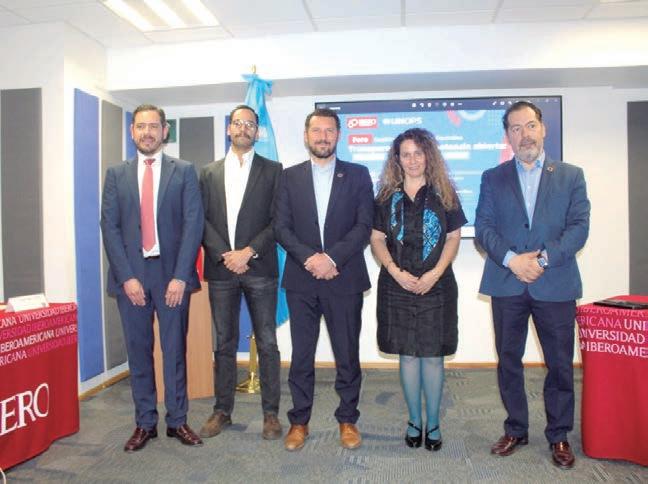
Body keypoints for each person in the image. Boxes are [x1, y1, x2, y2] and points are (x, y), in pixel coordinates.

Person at [475, 100, 590, 469]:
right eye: (515, 128)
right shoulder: (493, 177)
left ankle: (559, 434)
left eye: (530, 126)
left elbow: (579, 228)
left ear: (543, 129)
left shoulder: (571, 175)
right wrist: (513, 260)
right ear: (507, 136)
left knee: (559, 364)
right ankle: (516, 428)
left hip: (554, 283)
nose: (524, 134)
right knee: (509, 360)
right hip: (507, 282)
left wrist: (540, 260)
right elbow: (483, 228)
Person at [101, 104, 205, 452]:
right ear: (132, 131)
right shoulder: (116, 174)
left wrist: (180, 276)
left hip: (171, 275)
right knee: (139, 352)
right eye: (141, 126)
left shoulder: (184, 171)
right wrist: (126, 277)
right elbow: (110, 228)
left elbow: (193, 223)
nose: (147, 132)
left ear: (165, 131)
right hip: (132, 276)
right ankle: (145, 423)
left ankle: (177, 421)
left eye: (154, 126)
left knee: (174, 351)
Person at [274, 108, 374, 451]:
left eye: (329, 130)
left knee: (347, 354)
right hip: (301, 280)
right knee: (302, 355)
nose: (323, 137)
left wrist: (331, 259)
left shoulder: (358, 175)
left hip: (343, 277)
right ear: (306, 136)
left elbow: (364, 226)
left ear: (338, 135)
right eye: (316, 131)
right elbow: (281, 227)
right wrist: (310, 259)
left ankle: (347, 419)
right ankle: (299, 421)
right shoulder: (288, 177)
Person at [370, 128, 466, 452]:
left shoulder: (445, 193)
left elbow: (453, 237)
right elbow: (376, 238)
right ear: (397, 159)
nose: (412, 160)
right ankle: (414, 420)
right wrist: (394, 271)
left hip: (437, 286)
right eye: (405, 154)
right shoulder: (385, 196)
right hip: (396, 285)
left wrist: (435, 273)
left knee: (433, 357)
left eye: (418, 153)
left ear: (428, 156)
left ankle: (433, 423)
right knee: (408, 355)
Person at [198, 105, 283, 440]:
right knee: (224, 342)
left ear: (257, 132)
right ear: (228, 129)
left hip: (259, 267)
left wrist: (248, 252)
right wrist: (225, 255)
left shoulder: (273, 171)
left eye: (250, 124)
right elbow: (201, 219)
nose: (243, 128)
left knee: (268, 342)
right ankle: (222, 411)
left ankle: (271, 414)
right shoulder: (208, 172)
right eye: (237, 123)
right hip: (221, 270)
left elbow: (279, 220)